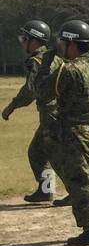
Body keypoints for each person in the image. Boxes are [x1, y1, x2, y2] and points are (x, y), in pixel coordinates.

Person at [33, 20, 89, 246]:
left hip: (73, 132)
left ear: (72, 44)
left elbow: (42, 91)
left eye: (63, 42)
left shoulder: (68, 70)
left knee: (80, 182)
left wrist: (47, 61)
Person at [2, 19, 67, 203]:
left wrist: (11, 107)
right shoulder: (54, 57)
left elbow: (30, 90)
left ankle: (77, 192)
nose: (21, 42)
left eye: (24, 38)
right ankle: (46, 190)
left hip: (51, 114)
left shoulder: (36, 61)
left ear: (35, 41)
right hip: (59, 112)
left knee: (53, 154)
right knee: (38, 152)